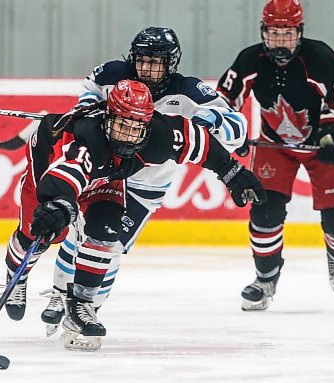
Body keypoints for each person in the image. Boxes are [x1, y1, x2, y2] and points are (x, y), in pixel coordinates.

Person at [4, 79, 266, 350]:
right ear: (108, 119)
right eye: (122, 125)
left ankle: (81, 304)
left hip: (109, 174)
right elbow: (63, 176)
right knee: (43, 234)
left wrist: (233, 173)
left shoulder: (161, 133)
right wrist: (58, 205)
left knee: (106, 230)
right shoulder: (88, 138)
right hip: (49, 157)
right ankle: (16, 277)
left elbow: (201, 143)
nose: (128, 135)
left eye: (136, 127)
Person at [37, 26, 252, 335]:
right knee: (77, 236)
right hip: (107, 170)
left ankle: (86, 310)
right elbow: (88, 94)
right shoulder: (112, 73)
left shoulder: (190, 91)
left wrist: (216, 121)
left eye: (157, 62)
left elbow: (236, 127)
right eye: (143, 60)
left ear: (172, 63)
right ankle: (59, 294)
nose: (149, 69)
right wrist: (85, 112)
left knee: (110, 245)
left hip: (146, 184)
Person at [216, 0, 334, 311]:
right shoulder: (249, 59)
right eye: (275, 34)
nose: (281, 41)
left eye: (288, 33)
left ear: (300, 32)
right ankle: (265, 280)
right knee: (264, 213)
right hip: (274, 146)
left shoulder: (320, 58)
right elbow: (222, 103)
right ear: (264, 32)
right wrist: (232, 134)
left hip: (321, 145)